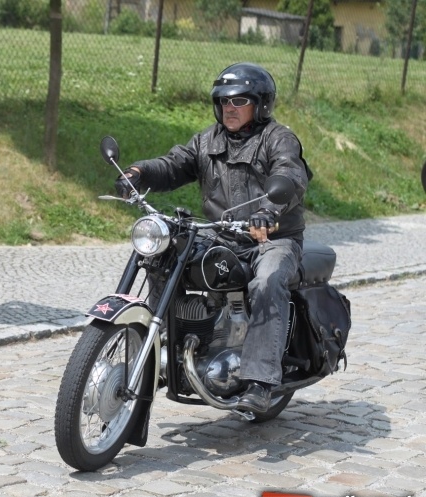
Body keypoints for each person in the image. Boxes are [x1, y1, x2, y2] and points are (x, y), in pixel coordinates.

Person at [114, 62, 311, 413]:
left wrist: (269, 209)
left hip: (272, 239)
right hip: (225, 237)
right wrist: (140, 172)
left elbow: (289, 175)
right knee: (165, 253)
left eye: (238, 101)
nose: (228, 108)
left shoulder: (278, 138)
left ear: (260, 104)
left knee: (267, 280)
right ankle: (168, 344)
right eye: (223, 101)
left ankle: (261, 381)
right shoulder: (208, 140)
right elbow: (175, 163)